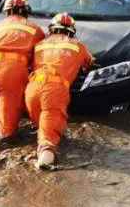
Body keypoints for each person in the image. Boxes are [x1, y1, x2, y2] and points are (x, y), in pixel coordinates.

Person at [25, 12, 93, 169]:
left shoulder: (39, 45)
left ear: (52, 29)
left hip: (33, 88)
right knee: (48, 139)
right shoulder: (78, 45)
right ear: (71, 30)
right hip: (54, 90)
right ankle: (44, 164)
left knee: (40, 126)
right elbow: (90, 63)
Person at [0, 0, 45, 144]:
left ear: (7, 11)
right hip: (12, 71)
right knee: (8, 121)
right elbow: (40, 58)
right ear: (27, 11)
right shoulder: (35, 29)